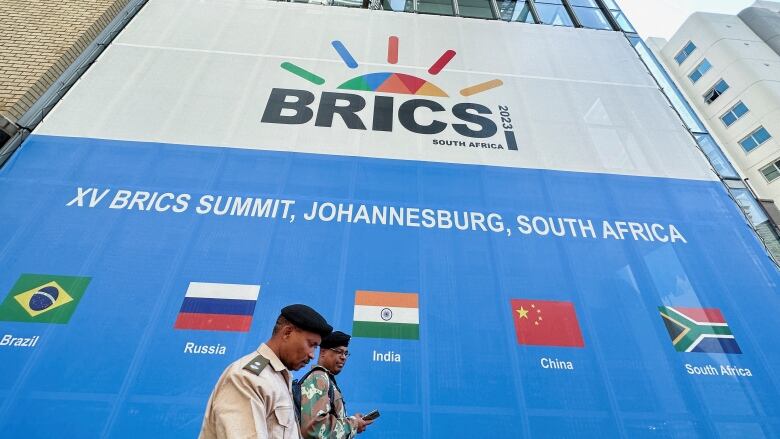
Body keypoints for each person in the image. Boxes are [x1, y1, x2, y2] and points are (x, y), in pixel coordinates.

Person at [199, 304, 333, 439]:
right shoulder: (248, 378)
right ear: (287, 333)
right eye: (311, 345)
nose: (312, 355)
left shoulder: (278, 377)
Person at [298, 331, 373, 438]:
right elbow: (314, 428)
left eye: (346, 353)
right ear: (323, 352)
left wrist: (353, 421)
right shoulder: (318, 378)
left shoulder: (326, 379)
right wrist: (354, 424)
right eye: (339, 352)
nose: (343, 357)